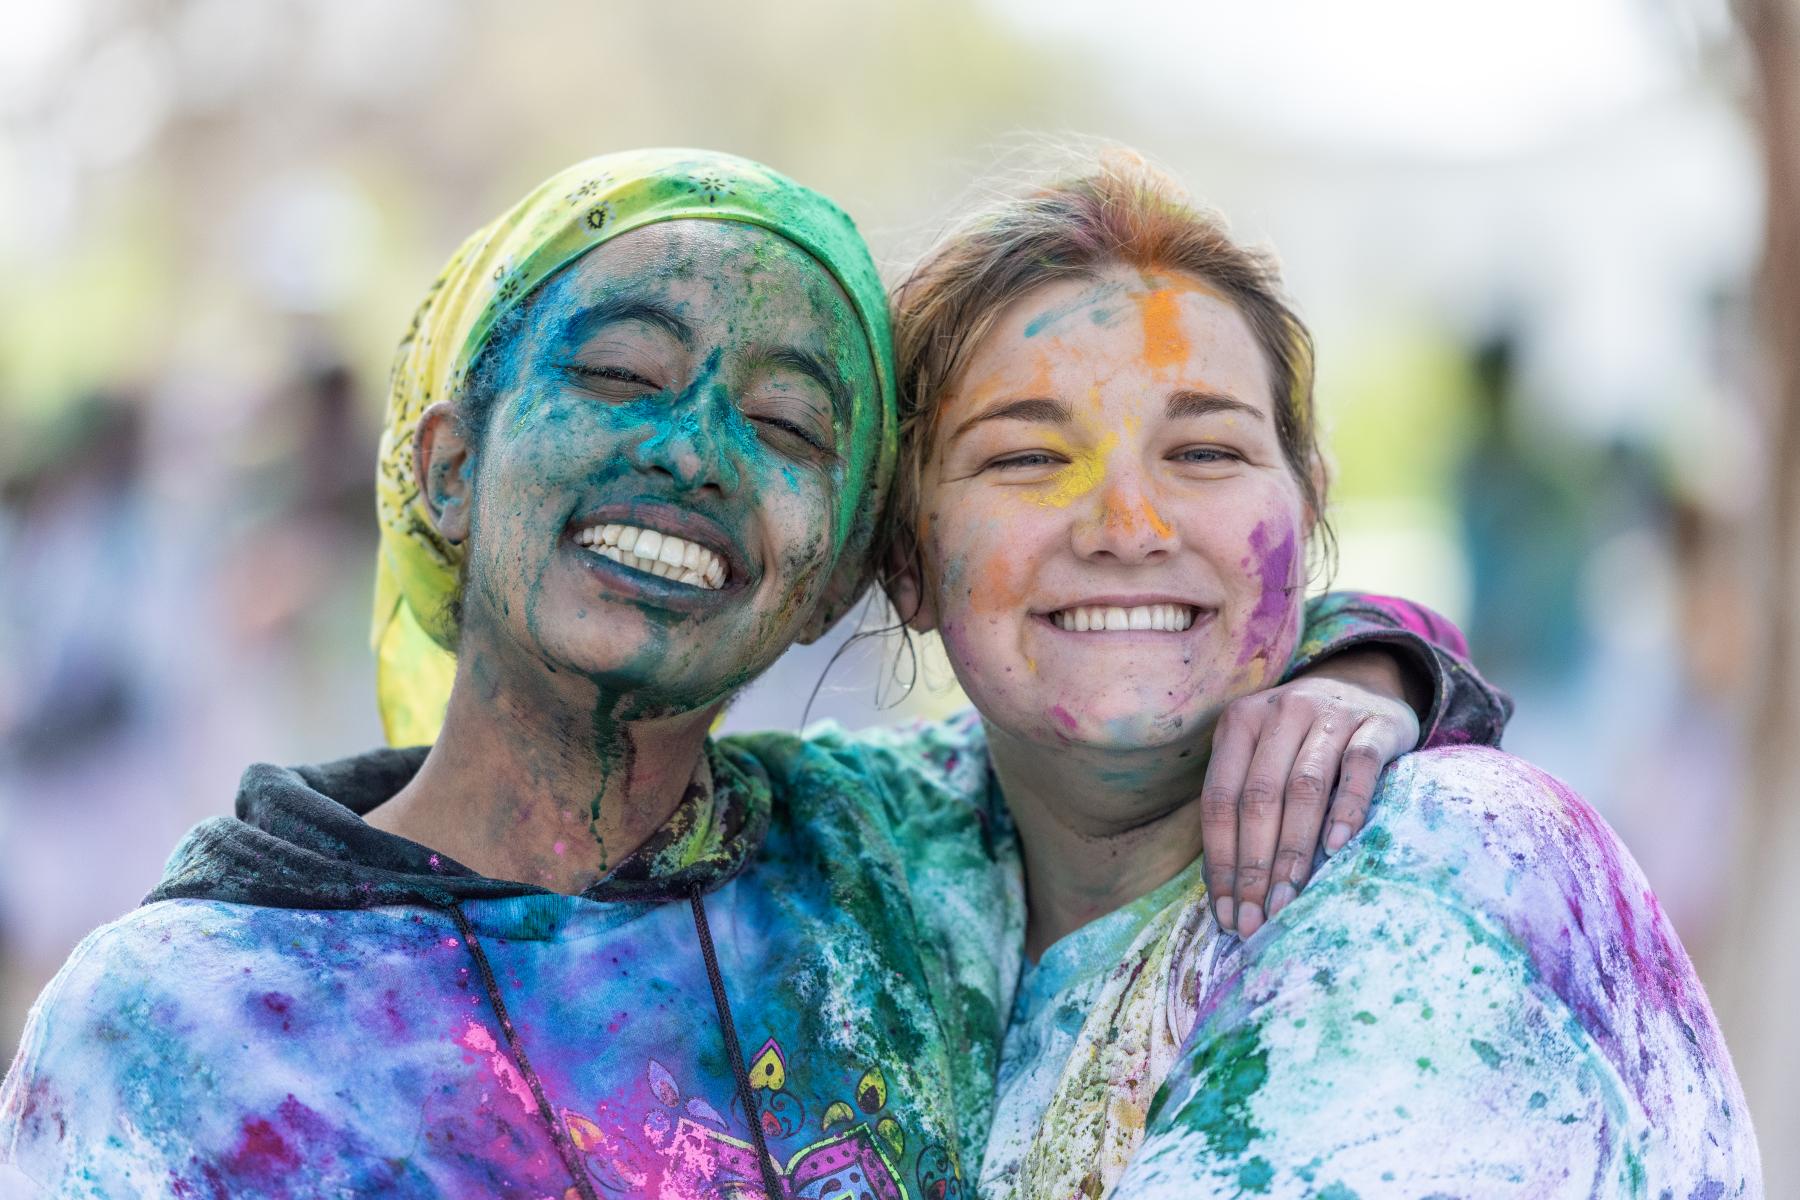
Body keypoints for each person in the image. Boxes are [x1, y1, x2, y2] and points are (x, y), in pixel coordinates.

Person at [0, 149, 1504, 1199]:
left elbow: (1136, 673)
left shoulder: (893, 856)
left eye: (789, 424)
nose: (695, 454)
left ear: (841, 568)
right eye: (622, 376)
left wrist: (1360, 667)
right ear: (449, 466)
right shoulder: (178, 1018)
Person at [881, 152, 1759, 1198]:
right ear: (904, 559)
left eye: (1204, 453)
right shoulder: (866, 843)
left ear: (1308, 513)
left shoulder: (1438, 866)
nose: (1129, 527)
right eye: (1025, 459)